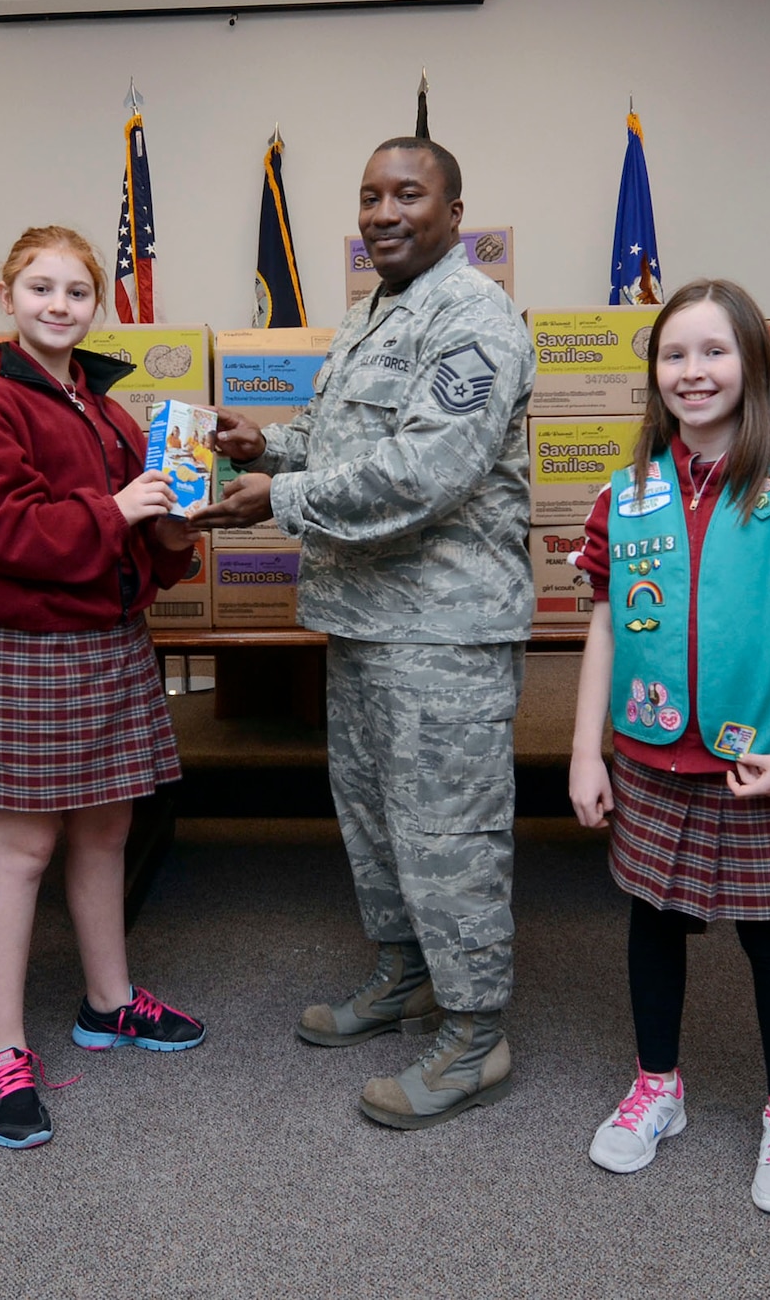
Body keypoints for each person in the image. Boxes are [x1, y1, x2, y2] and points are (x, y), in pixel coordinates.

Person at [195, 138, 535, 1130]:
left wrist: (279, 495)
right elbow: (355, 445)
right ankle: (403, 974)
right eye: (368, 197)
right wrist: (269, 445)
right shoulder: (374, 312)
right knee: (377, 819)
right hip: (364, 622)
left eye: (406, 195)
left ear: (453, 210)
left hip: (444, 632)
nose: (382, 213)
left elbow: (421, 473)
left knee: (449, 834)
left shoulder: (472, 319)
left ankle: (475, 1033)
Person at [565, 279, 770, 1214]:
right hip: (649, 751)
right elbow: (607, 626)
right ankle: (659, 1083)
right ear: (653, 374)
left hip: (758, 760)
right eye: (674, 355)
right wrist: (586, 752)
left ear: (754, 363)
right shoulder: (628, 494)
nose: (693, 372)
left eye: (714, 351)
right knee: (652, 919)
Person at [0, 226, 205, 1151]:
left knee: (108, 827)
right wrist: (118, 510)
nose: (59, 304)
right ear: (7, 292)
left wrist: (170, 528)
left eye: (77, 291)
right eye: (41, 287)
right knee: (21, 848)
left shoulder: (105, 404)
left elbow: (138, 527)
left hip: (114, 641)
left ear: (98, 303)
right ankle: (1, 1051)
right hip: (34, 648)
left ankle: (109, 1001)